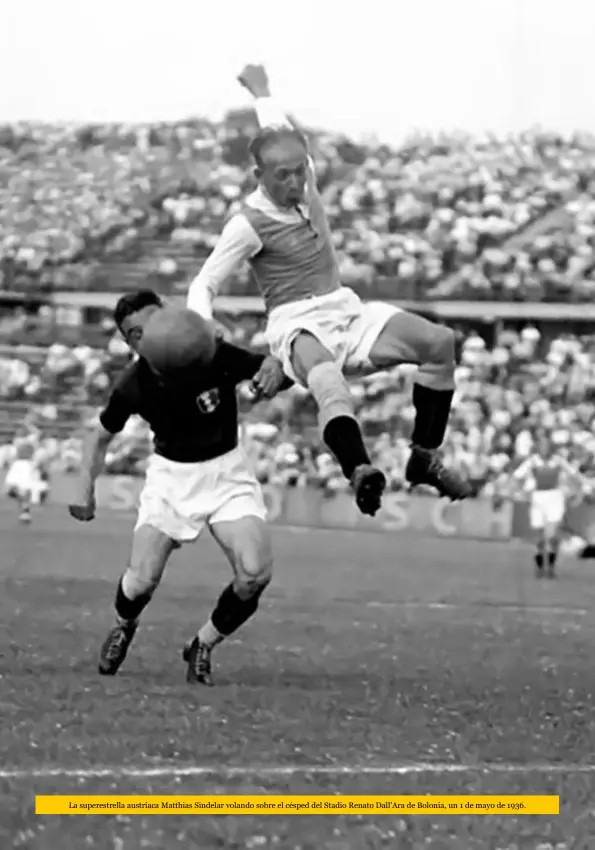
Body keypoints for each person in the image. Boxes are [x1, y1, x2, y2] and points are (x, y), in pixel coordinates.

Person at [187, 64, 471, 518]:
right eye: (282, 175)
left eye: (300, 172)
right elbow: (204, 282)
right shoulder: (247, 224)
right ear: (258, 174)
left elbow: (277, 128)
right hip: (296, 323)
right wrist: (202, 321)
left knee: (439, 344)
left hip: (344, 307)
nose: (295, 182)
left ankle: (423, 459)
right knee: (327, 380)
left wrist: (261, 90)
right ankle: (359, 470)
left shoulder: (302, 173)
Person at [68, 289, 292, 685]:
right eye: (137, 333)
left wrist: (275, 367)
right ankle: (124, 624)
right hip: (171, 480)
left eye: (156, 322)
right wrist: (85, 487)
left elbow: (273, 371)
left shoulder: (213, 354)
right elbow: (100, 435)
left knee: (254, 574)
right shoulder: (132, 385)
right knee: (140, 582)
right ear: (128, 342)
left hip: (226, 473)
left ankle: (202, 645)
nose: (152, 335)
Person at [510, 436, 589, 578]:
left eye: (546, 446)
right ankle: (541, 565)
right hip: (538, 498)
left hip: (554, 497)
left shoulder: (558, 461)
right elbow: (516, 476)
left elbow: (573, 475)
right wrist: (520, 492)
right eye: (542, 446)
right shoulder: (533, 461)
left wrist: (578, 492)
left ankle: (551, 565)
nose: (544, 449)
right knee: (540, 536)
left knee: (551, 534)